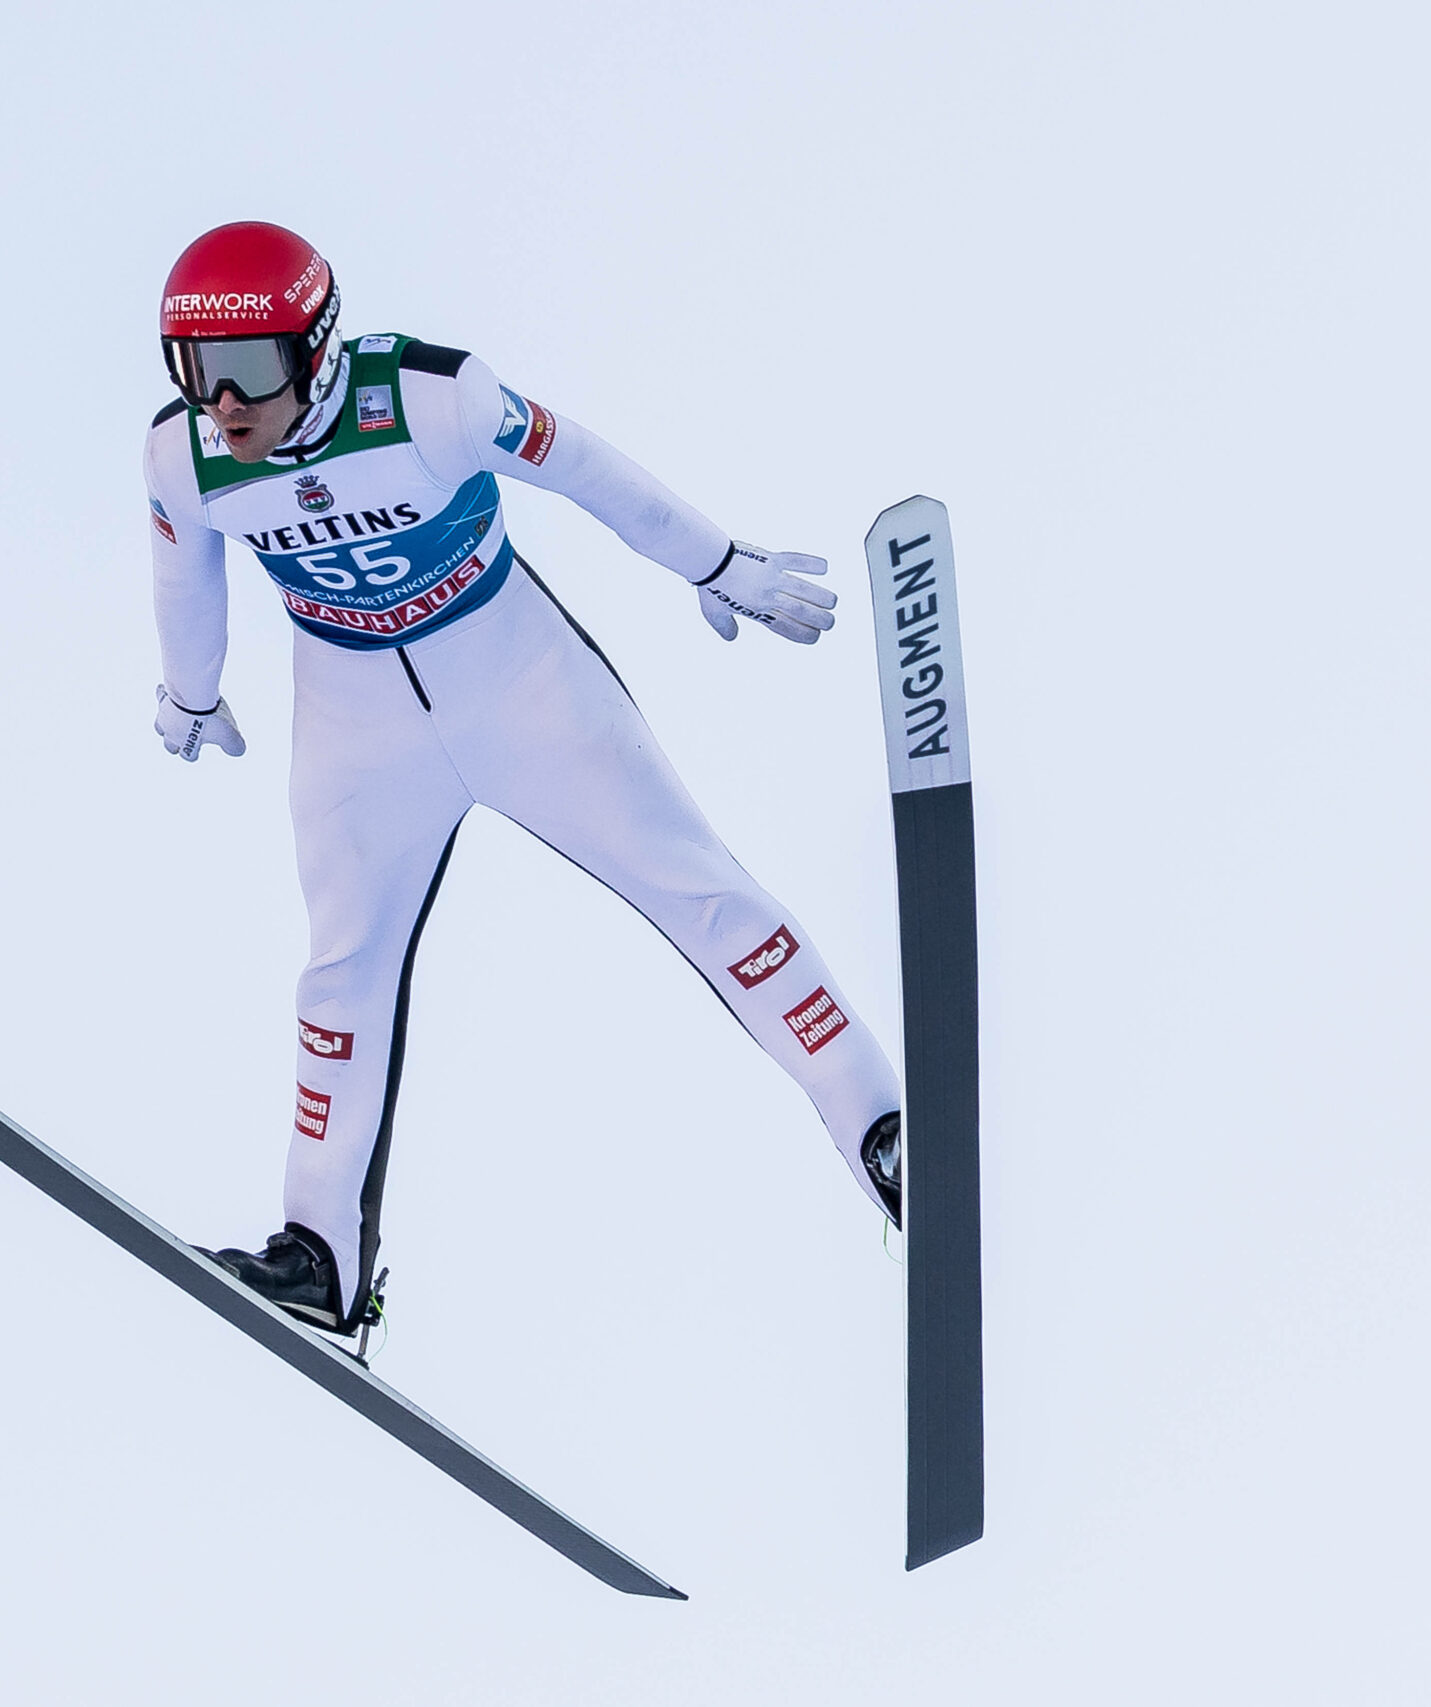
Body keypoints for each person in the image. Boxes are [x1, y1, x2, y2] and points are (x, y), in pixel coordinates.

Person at [143, 221, 902, 1334]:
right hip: (356, 732)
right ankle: (320, 1258)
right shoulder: (182, 455)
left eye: (248, 369)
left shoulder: (428, 398)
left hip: (518, 684)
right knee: (339, 978)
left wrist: (716, 560)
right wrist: (189, 691)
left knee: (696, 889)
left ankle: (885, 1132)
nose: (222, 404)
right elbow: (181, 576)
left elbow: (589, 471)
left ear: (316, 346)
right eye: (195, 372)